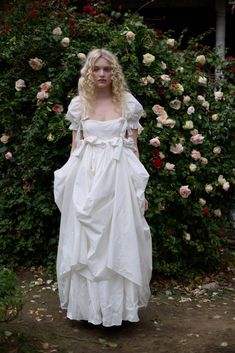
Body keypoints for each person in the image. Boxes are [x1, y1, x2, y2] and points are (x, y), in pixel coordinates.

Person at [54, 48, 152, 327]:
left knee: (118, 240)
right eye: (96, 69)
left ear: (114, 72)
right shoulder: (79, 105)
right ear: (88, 72)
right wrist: (69, 185)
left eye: (107, 69)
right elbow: (75, 148)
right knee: (85, 244)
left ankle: (116, 311)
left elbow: (133, 148)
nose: (101, 74)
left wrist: (139, 191)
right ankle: (88, 310)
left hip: (119, 182)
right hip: (87, 179)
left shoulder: (128, 104)